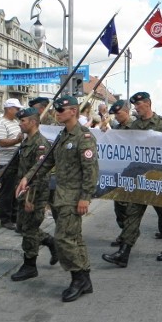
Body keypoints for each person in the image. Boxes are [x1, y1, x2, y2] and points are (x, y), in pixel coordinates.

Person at [16, 95, 99, 302]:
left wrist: (85, 198)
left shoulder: (84, 138)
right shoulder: (63, 137)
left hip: (74, 197)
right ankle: (84, 278)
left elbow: (91, 170)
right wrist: (28, 177)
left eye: (61, 110)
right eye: (56, 110)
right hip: (62, 196)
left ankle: (77, 278)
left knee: (63, 239)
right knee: (74, 238)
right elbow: (46, 163)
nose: (57, 113)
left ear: (73, 111)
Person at [101, 92, 162, 267]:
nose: (136, 108)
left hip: (158, 178)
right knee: (132, 214)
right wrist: (107, 134)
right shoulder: (133, 125)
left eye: (139, 105)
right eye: (135, 105)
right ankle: (124, 253)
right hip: (139, 178)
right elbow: (122, 143)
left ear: (148, 103)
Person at [9, 108, 58, 282]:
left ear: (33, 122)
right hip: (23, 192)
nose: (20, 124)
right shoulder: (26, 142)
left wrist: (30, 199)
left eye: (23, 121)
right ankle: (51, 242)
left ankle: (30, 266)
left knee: (29, 230)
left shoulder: (41, 144)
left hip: (35, 194)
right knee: (22, 227)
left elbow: (38, 173)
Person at [0, 98, 24, 229]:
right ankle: (5, 219)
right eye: (16, 109)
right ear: (9, 109)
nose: (18, 111)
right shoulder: (0, 123)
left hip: (17, 160)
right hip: (7, 162)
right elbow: (2, 142)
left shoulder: (15, 122)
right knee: (7, 191)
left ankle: (14, 216)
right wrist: (17, 140)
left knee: (16, 190)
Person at [105, 100, 133, 247]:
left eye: (118, 113)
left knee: (130, 208)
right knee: (119, 207)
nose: (116, 116)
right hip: (119, 173)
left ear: (127, 111)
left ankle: (127, 237)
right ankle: (125, 233)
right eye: (114, 114)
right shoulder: (116, 128)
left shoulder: (135, 127)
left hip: (133, 174)